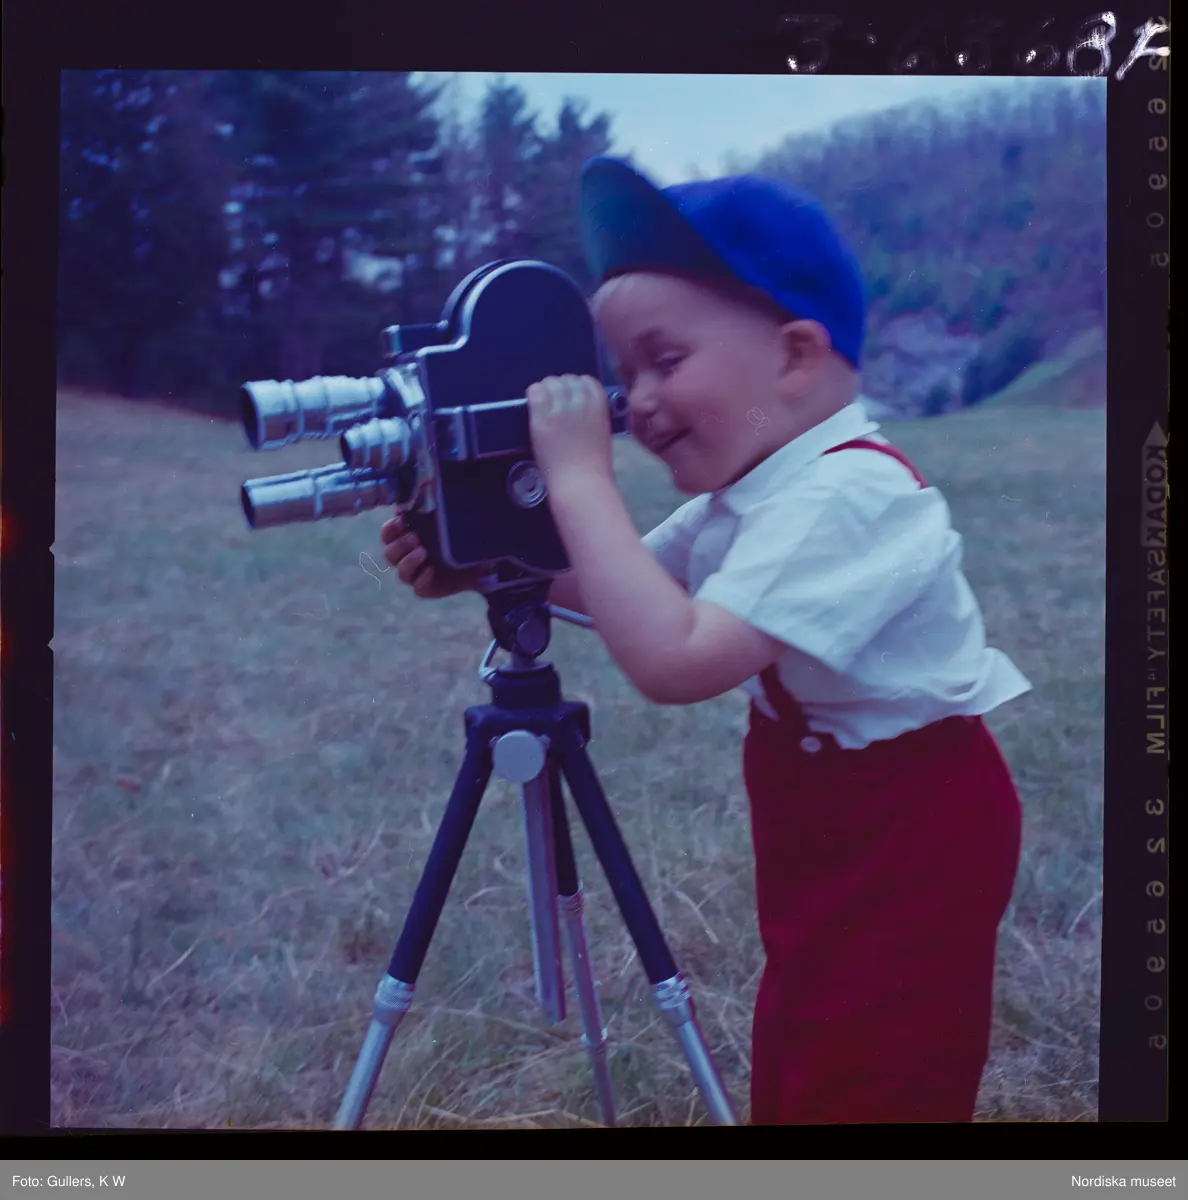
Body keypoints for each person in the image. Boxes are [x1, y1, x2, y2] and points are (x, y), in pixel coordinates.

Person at [380, 156, 1030, 1125]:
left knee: (880, 1062)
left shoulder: (848, 495)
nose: (634, 403)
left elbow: (676, 657)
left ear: (795, 358)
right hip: (830, 810)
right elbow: (625, 592)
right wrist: (484, 559)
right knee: (811, 1023)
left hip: (909, 828)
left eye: (665, 361)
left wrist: (580, 480)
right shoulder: (759, 488)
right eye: (623, 373)